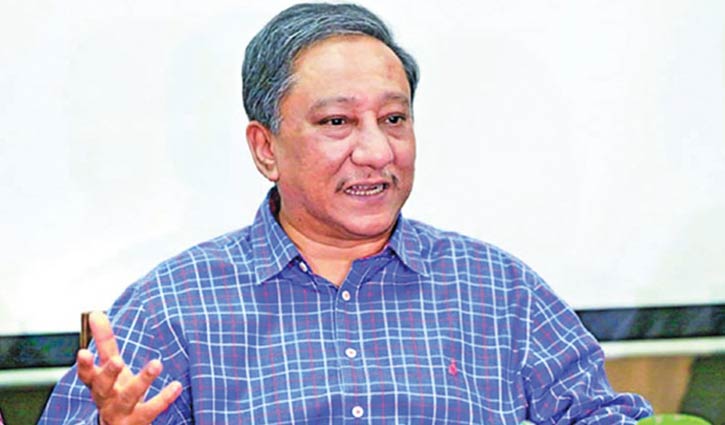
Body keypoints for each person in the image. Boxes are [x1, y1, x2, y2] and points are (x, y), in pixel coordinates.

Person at [40, 3, 653, 424]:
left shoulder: (497, 289)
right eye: (337, 122)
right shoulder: (173, 305)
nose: (377, 151)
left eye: (394, 119)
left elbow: (603, 414)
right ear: (265, 148)